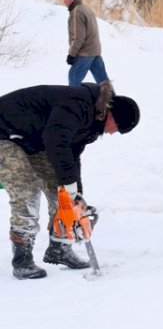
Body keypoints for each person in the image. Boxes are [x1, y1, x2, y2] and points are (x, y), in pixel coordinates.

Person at [0, 80, 140, 279]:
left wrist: (76, 195)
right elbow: (55, 139)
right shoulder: (78, 105)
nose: (112, 132)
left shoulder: (93, 123)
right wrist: (70, 184)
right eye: (116, 127)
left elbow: (71, 156)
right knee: (27, 190)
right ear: (112, 115)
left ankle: (60, 248)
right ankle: (22, 259)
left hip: (29, 140)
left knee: (63, 193)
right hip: (4, 133)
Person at [63, 0, 110, 86]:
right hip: (95, 51)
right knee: (103, 81)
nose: (64, 1)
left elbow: (78, 37)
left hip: (85, 53)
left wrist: (71, 54)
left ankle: (74, 100)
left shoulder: (76, 12)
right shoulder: (85, 9)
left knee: (73, 77)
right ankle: (112, 100)